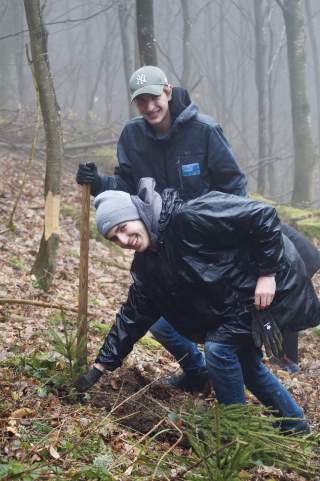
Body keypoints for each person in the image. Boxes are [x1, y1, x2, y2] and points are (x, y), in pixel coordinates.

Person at [76, 65, 318, 390]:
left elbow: (234, 185)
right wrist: (99, 183)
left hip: (214, 245)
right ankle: (199, 372)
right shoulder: (133, 136)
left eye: (153, 97)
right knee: (161, 320)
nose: (149, 107)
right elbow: (128, 184)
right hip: (167, 246)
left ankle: (250, 375)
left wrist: (228, 234)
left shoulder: (204, 130)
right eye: (141, 101)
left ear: (168, 91)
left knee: (233, 333)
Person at [75, 178, 320, 434]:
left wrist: (267, 274)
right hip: (236, 302)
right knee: (247, 364)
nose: (125, 239)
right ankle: (297, 426)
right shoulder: (147, 265)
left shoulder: (190, 216)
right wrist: (100, 367)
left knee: (219, 349)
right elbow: (132, 316)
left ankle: (235, 433)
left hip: (273, 280)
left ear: (137, 213)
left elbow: (262, 215)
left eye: (124, 227)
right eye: (116, 238)